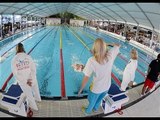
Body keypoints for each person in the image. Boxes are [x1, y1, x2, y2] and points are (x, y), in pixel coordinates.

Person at [78, 38, 121, 115]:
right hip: (107, 86)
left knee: (92, 100)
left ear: (94, 48)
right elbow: (118, 45)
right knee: (100, 99)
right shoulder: (110, 55)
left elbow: (86, 78)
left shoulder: (91, 60)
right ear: (104, 47)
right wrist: (106, 43)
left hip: (96, 88)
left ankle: (87, 111)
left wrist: (80, 90)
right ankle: (96, 109)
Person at [11, 43, 41, 113]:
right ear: (23, 48)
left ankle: (35, 108)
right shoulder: (28, 57)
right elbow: (33, 69)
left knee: (29, 96)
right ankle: (38, 99)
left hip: (24, 82)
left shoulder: (14, 60)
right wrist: (32, 79)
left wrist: (25, 81)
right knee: (36, 90)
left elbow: (15, 74)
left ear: (16, 49)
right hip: (32, 79)